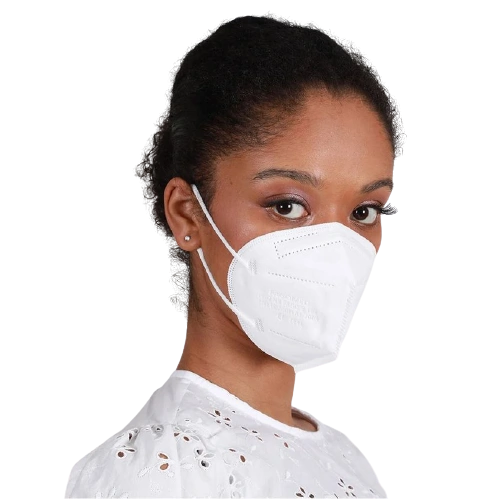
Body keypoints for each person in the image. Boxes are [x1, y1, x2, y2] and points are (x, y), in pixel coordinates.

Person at [66, 16, 396, 498]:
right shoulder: (163, 473)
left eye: (364, 211)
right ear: (187, 213)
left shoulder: (339, 449)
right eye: (287, 206)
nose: (336, 247)